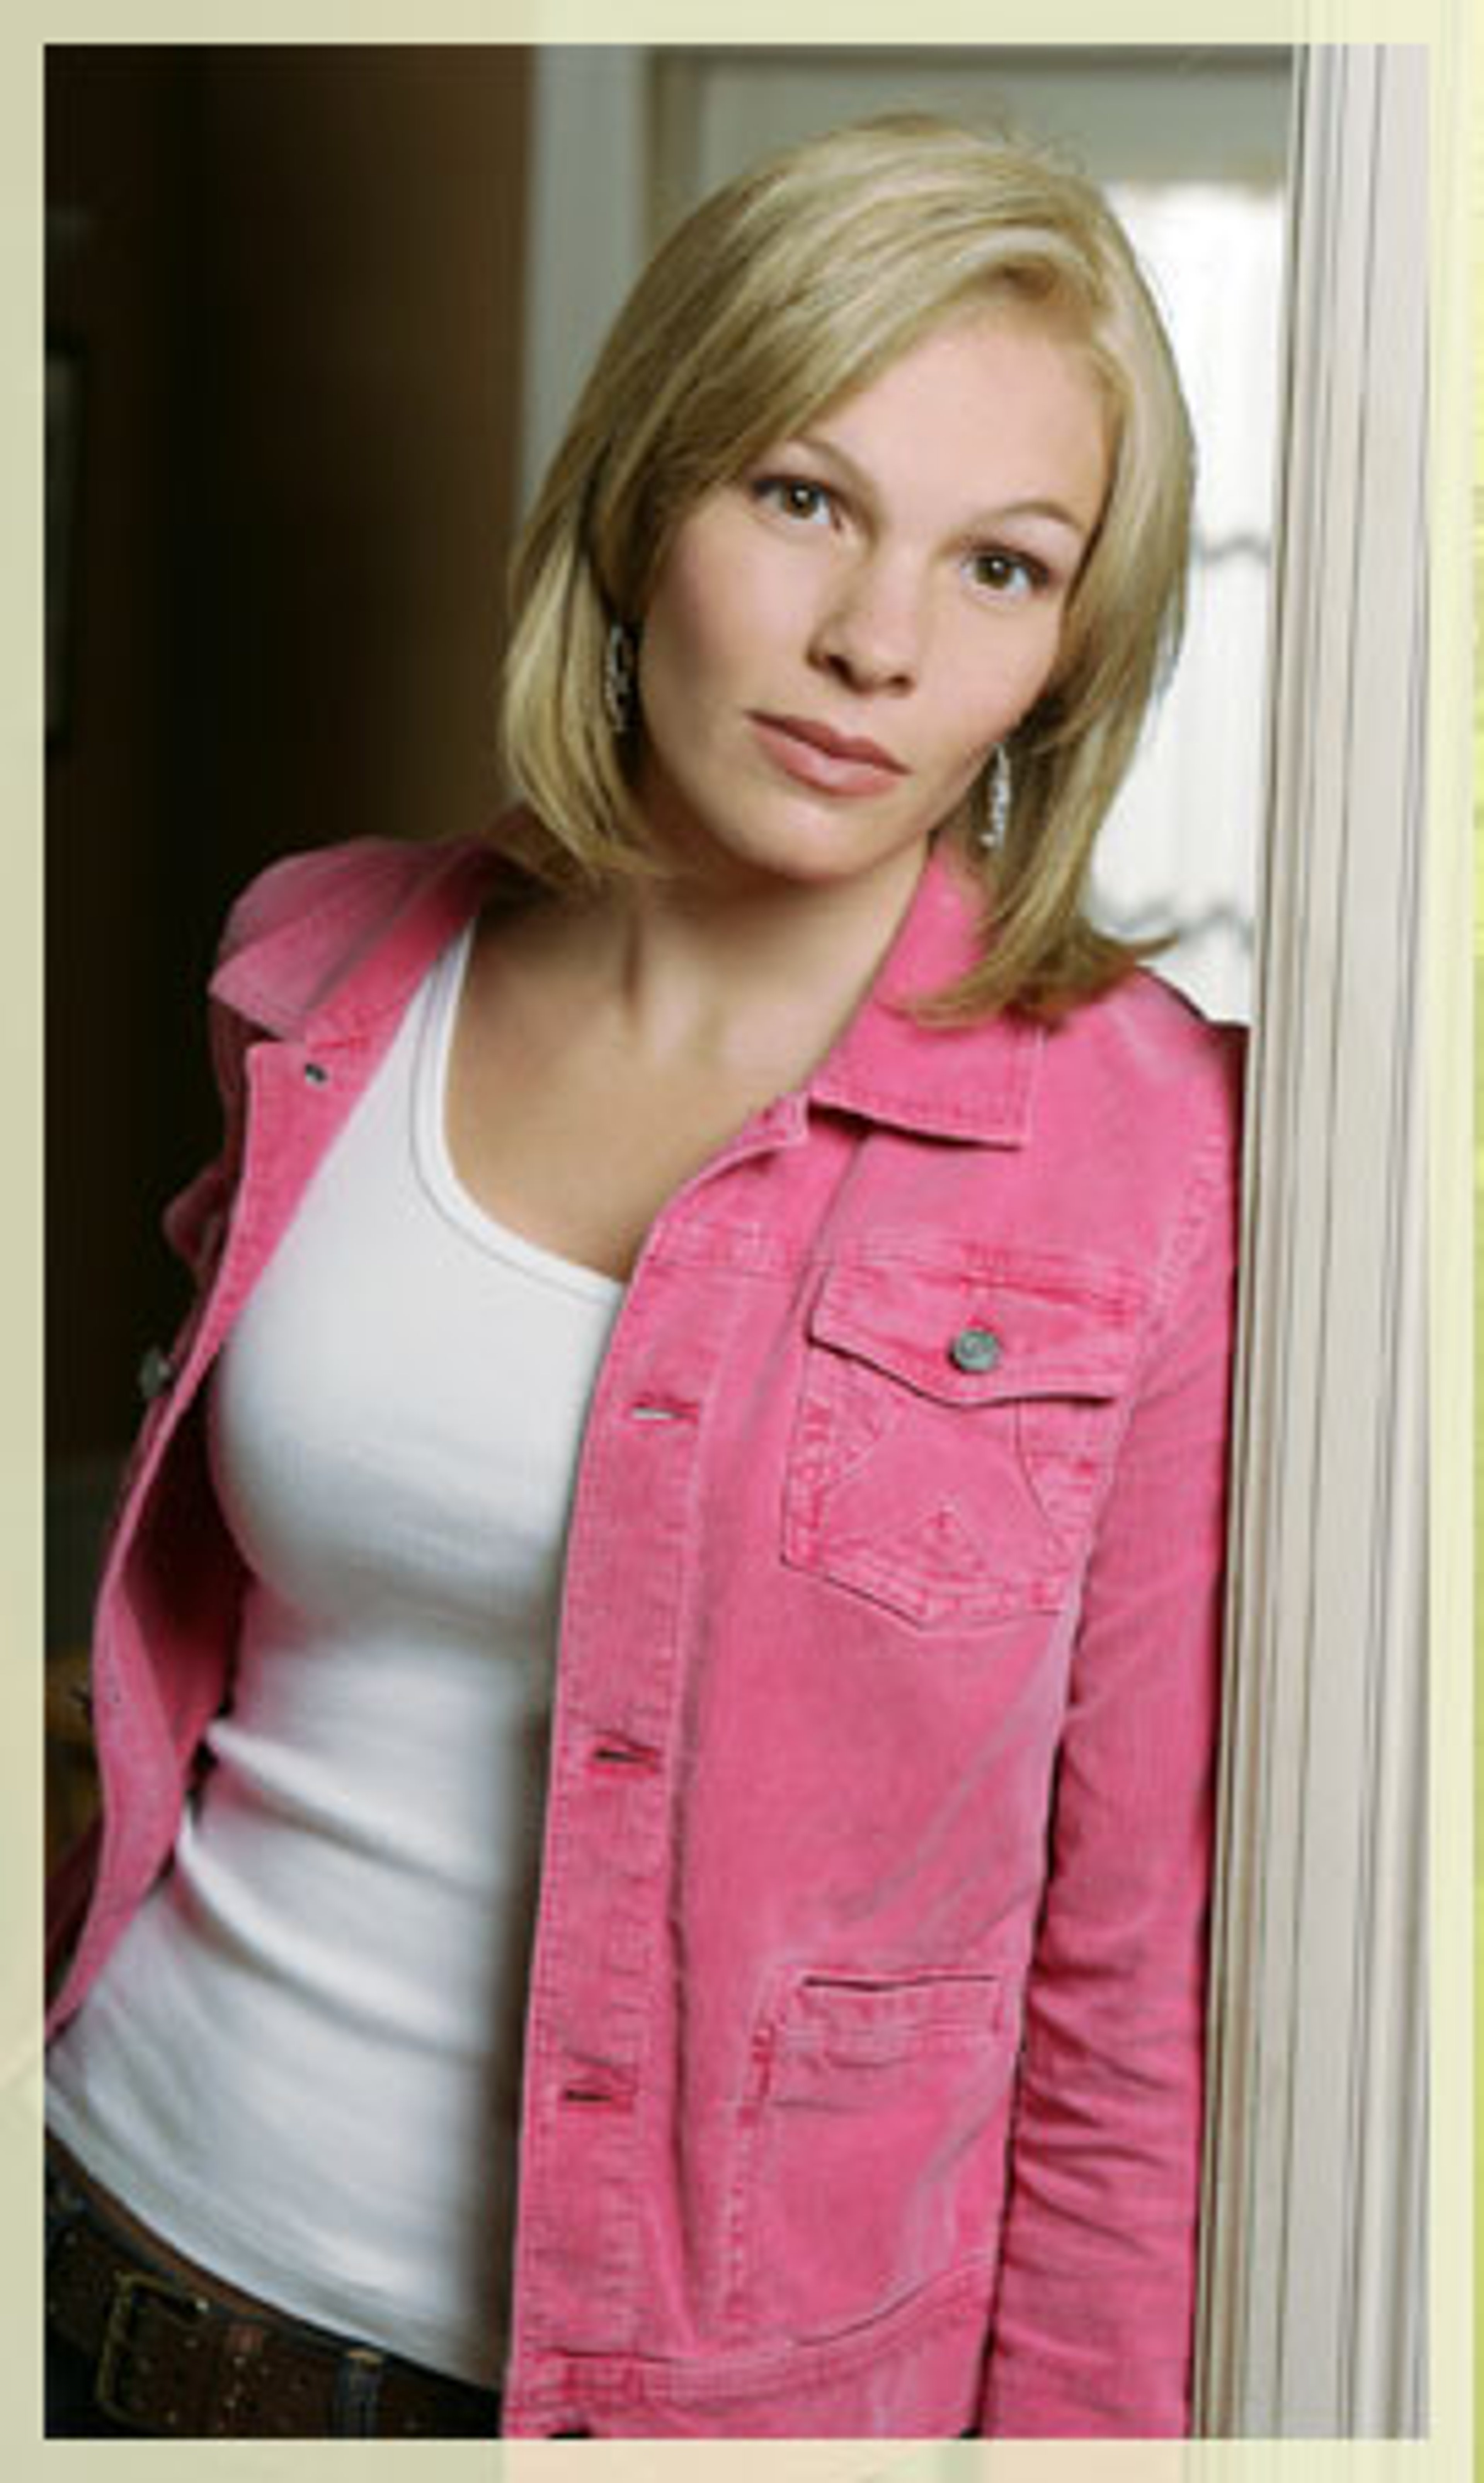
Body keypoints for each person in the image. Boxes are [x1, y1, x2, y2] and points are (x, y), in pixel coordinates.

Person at [44, 113, 1243, 2440]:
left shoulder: (1145, 1156)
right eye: (802, 498)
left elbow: (1121, 2004)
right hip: (95, 2237)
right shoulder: (325, 971)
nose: (876, 645)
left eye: (1000, 567)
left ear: (1071, 648)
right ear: (644, 496)